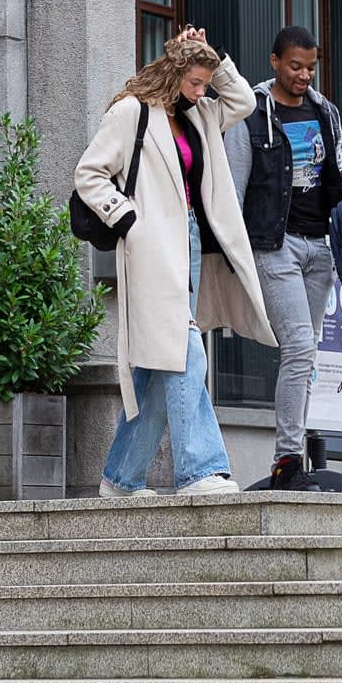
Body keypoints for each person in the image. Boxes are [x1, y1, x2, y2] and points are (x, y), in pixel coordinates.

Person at [74, 27, 275, 496]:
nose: (202, 92)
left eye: (206, 83)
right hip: (150, 244)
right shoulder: (131, 113)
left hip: (188, 239)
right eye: (195, 82)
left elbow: (243, 101)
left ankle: (120, 479)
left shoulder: (202, 114)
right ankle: (201, 470)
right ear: (174, 74)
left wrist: (216, 57)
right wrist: (128, 222)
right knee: (186, 349)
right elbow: (90, 173)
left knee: (159, 364)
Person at [225, 25, 342, 491]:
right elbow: (233, 186)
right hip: (276, 245)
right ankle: (288, 459)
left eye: (310, 67)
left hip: (320, 247)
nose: (303, 75)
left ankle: (291, 457)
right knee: (300, 347)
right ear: (274, 62)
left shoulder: (325, 111)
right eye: (294, 66)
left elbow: (327, 178)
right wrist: (236, 253)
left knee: (304, 355)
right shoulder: (252, 110)